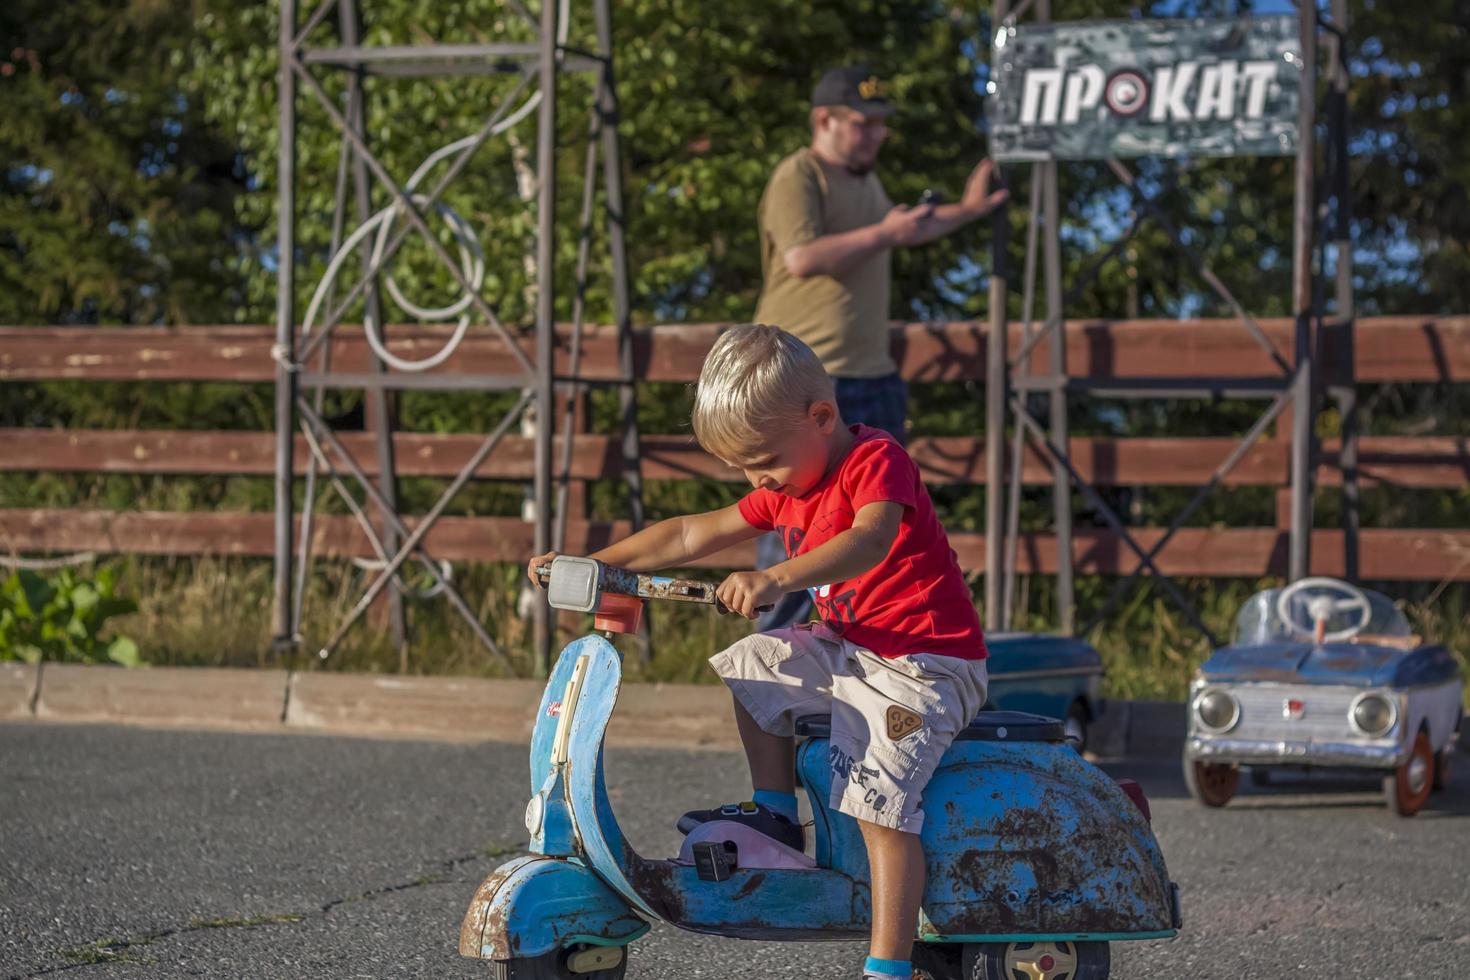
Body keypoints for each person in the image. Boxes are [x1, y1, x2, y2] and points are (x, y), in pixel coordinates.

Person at [528, 325, 988, 980]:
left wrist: (776, 578)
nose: (755, 478)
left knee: (877, 803)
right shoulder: (787, 484)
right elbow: (691, 532)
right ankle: (775, 812)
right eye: (743, 467)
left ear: (821, 417)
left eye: (762, 458)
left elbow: (870, 541)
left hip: (926, 662)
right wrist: (591, 563)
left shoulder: (875, 463)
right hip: (852, 647)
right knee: (753, 664)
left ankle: (889, 967)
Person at [752, 64, 1008, 630]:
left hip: (873, 377)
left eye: (880, 124)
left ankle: (860, 657)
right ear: (824, 120)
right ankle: (778, 664)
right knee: (800, 529)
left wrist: (966, 210)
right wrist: (886, 233)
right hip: (807, 381)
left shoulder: (865, 182)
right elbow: (802, 258)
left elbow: (903, 228)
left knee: (877, 536)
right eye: (862, 123)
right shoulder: (800, 175)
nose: (876, 135)